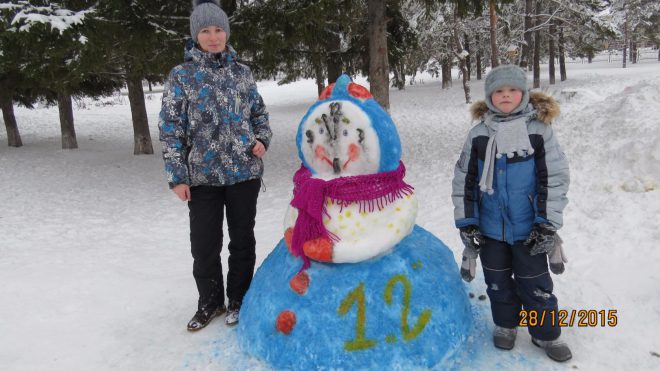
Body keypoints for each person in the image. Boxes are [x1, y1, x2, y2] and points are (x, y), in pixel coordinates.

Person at [158, 0, 272, 331]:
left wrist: (262, 139)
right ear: (196, 35)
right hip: (202, 177)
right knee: (204, 244)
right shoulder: (181, 76)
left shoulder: (242, 72)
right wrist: (177, 176)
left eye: (218, 29)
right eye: (206, 31)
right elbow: (170, 128)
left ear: (226, 32)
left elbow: (259, 113)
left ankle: (238, 299)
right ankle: (210, 302)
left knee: (242, 240)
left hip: (243, 173)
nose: (213, 36)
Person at [451, 64, 571, 362]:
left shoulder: (538, 132)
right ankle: (506, 324)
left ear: (524, 93)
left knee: (536, 284)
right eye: (499, 91)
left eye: (512, 90)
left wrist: (546, 224)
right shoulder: (478, 135)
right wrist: (468, 222)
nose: (506, 96)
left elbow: (553, 178)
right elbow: (464, 179)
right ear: (490, 97)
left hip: (529, 229)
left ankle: (546, 333)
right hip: (491, 230)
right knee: (497, 282)